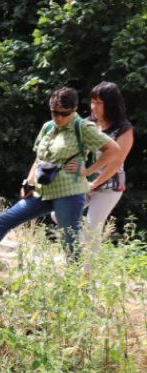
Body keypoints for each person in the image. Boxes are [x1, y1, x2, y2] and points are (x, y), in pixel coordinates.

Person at [0, 87, 120, 261]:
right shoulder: (48, 127)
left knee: (69, 241)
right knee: (4, 220)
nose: (58, 118)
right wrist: (28, 182)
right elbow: (39, 158)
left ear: (73, 109)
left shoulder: (82, 127)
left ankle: (73, 284)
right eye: (54, 112)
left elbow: (114, 150)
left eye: (63, 114)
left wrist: (88, 171)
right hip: (42, 191)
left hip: (69, 193)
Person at [76, 81, 135, 261]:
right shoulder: (88, 123)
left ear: (111, 104)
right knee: (58, 214)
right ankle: (80, 252)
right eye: (93, 101)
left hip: (110, 186)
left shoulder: (124, 130)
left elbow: (116, 164)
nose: (94, 107)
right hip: (85, 182)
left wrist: (94, 183)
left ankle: (88, 280)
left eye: (99, 103)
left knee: (92, 228)